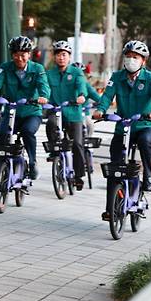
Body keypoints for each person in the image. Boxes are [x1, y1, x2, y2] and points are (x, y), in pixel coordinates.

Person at [93, 40, 151, 220]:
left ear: (143, 61)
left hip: (144, 124)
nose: (131, 60)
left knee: (146, 142)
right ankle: (110, 209)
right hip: (123, 126)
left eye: (136, 57)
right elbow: (107, 95)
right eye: (129, 56)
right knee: (114, 167)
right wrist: (101, 110)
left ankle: (147, 176)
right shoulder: (117, 77)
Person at [0, 36, 50, 185]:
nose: (19, 58)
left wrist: (43, 97)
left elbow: (44, 86)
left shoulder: (37, 69)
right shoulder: (5, 67)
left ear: (29, 54)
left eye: (23, 54)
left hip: (32, 112)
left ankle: (32, 163)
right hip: (12, 112)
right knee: (1, 137)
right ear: (12, 55)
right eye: (16, 54)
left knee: (27, 132)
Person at [45, 41, 87, 190]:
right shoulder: (49, 74)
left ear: (69, 57)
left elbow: (81, 86)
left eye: (64, 54)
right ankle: (54, 150)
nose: (61, 58)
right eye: (58, 54)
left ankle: (79, 176)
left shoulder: (76, 72)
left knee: (77, 143)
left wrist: (81, 95)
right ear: (54, 57)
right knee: (50, 124)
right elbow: (43, 89)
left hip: (74, 114)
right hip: (56, 112)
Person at [73, 61, 101, 136]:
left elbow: (99, 99)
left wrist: (98, 105)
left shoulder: (87, 86)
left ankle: (87, 143)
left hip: (84, 114)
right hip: (69, 113)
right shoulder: (65, 84)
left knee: (90, 125)